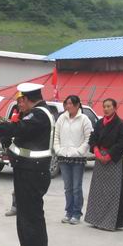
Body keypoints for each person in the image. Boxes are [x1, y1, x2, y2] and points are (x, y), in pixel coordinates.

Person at [0, 83, 54, 246]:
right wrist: (2, 137)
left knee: (33, 213)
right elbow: (21, 135)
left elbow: (19, 128)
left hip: (34, 171)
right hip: (25, 169)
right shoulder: (33, 114)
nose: (19, 105)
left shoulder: (39, 114)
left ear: (27, 99)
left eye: (21, 101)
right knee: (23, 212)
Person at [85, 98, 123, 231]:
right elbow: (93, 139)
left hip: (113, 160)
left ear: (115, 108)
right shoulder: (99, 123)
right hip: (100, 159)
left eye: (109, 106)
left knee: (112, 192)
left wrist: (109, 156)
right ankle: (95, 219)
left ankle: (110, 222)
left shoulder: (121, 124)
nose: (106, 109)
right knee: (98, 191)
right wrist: (97, 153)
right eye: (104, 106)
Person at [54, 95, 92, 225]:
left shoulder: (84, 119)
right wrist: (58, 149)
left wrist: (79, 151)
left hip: (77, 158)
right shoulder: (61, 118)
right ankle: (68, 212)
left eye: (70, 104)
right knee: (67, 187)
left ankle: (76, 213)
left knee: (76, 187)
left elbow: (88, 138)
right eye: (67, 103)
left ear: (77, 105)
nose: (68, 106)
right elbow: (56, 136)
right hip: (63, 156)